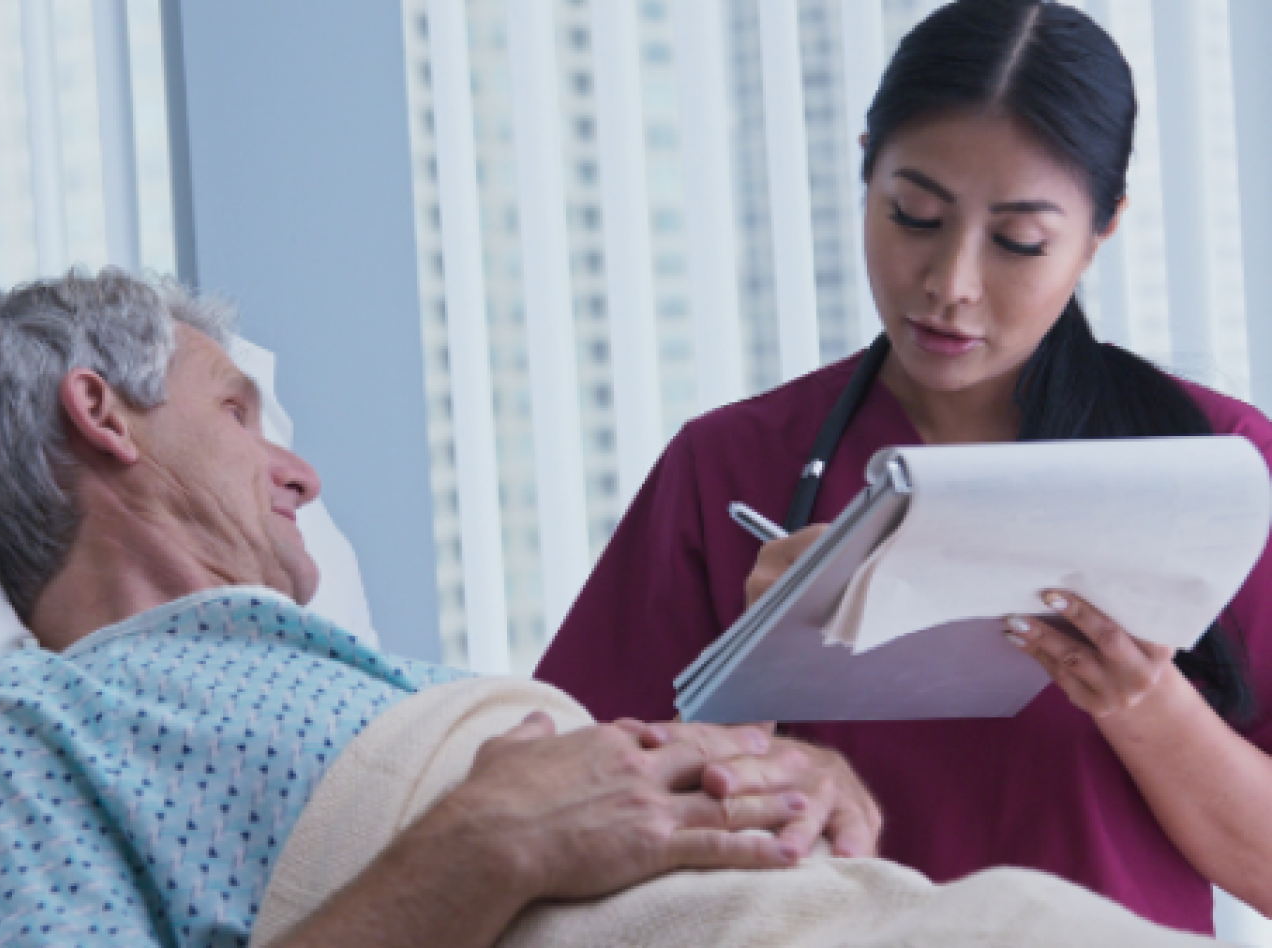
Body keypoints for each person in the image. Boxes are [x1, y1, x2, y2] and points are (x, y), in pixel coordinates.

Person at [535, 0, 1272, 936]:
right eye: (913, 215)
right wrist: (759, 683)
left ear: (1103, 229)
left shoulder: (1213, 472)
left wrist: (1147, 704)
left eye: (1019, 242)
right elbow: (564, 816)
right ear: (864, 171)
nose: (951, 283)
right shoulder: (726, 472)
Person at [0, 269, 880, 947]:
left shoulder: (366, 678)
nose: (303, 474)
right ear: (101, 414)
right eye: (236, 411)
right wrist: (485, 846)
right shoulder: (8, 735)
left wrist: (787, 781)